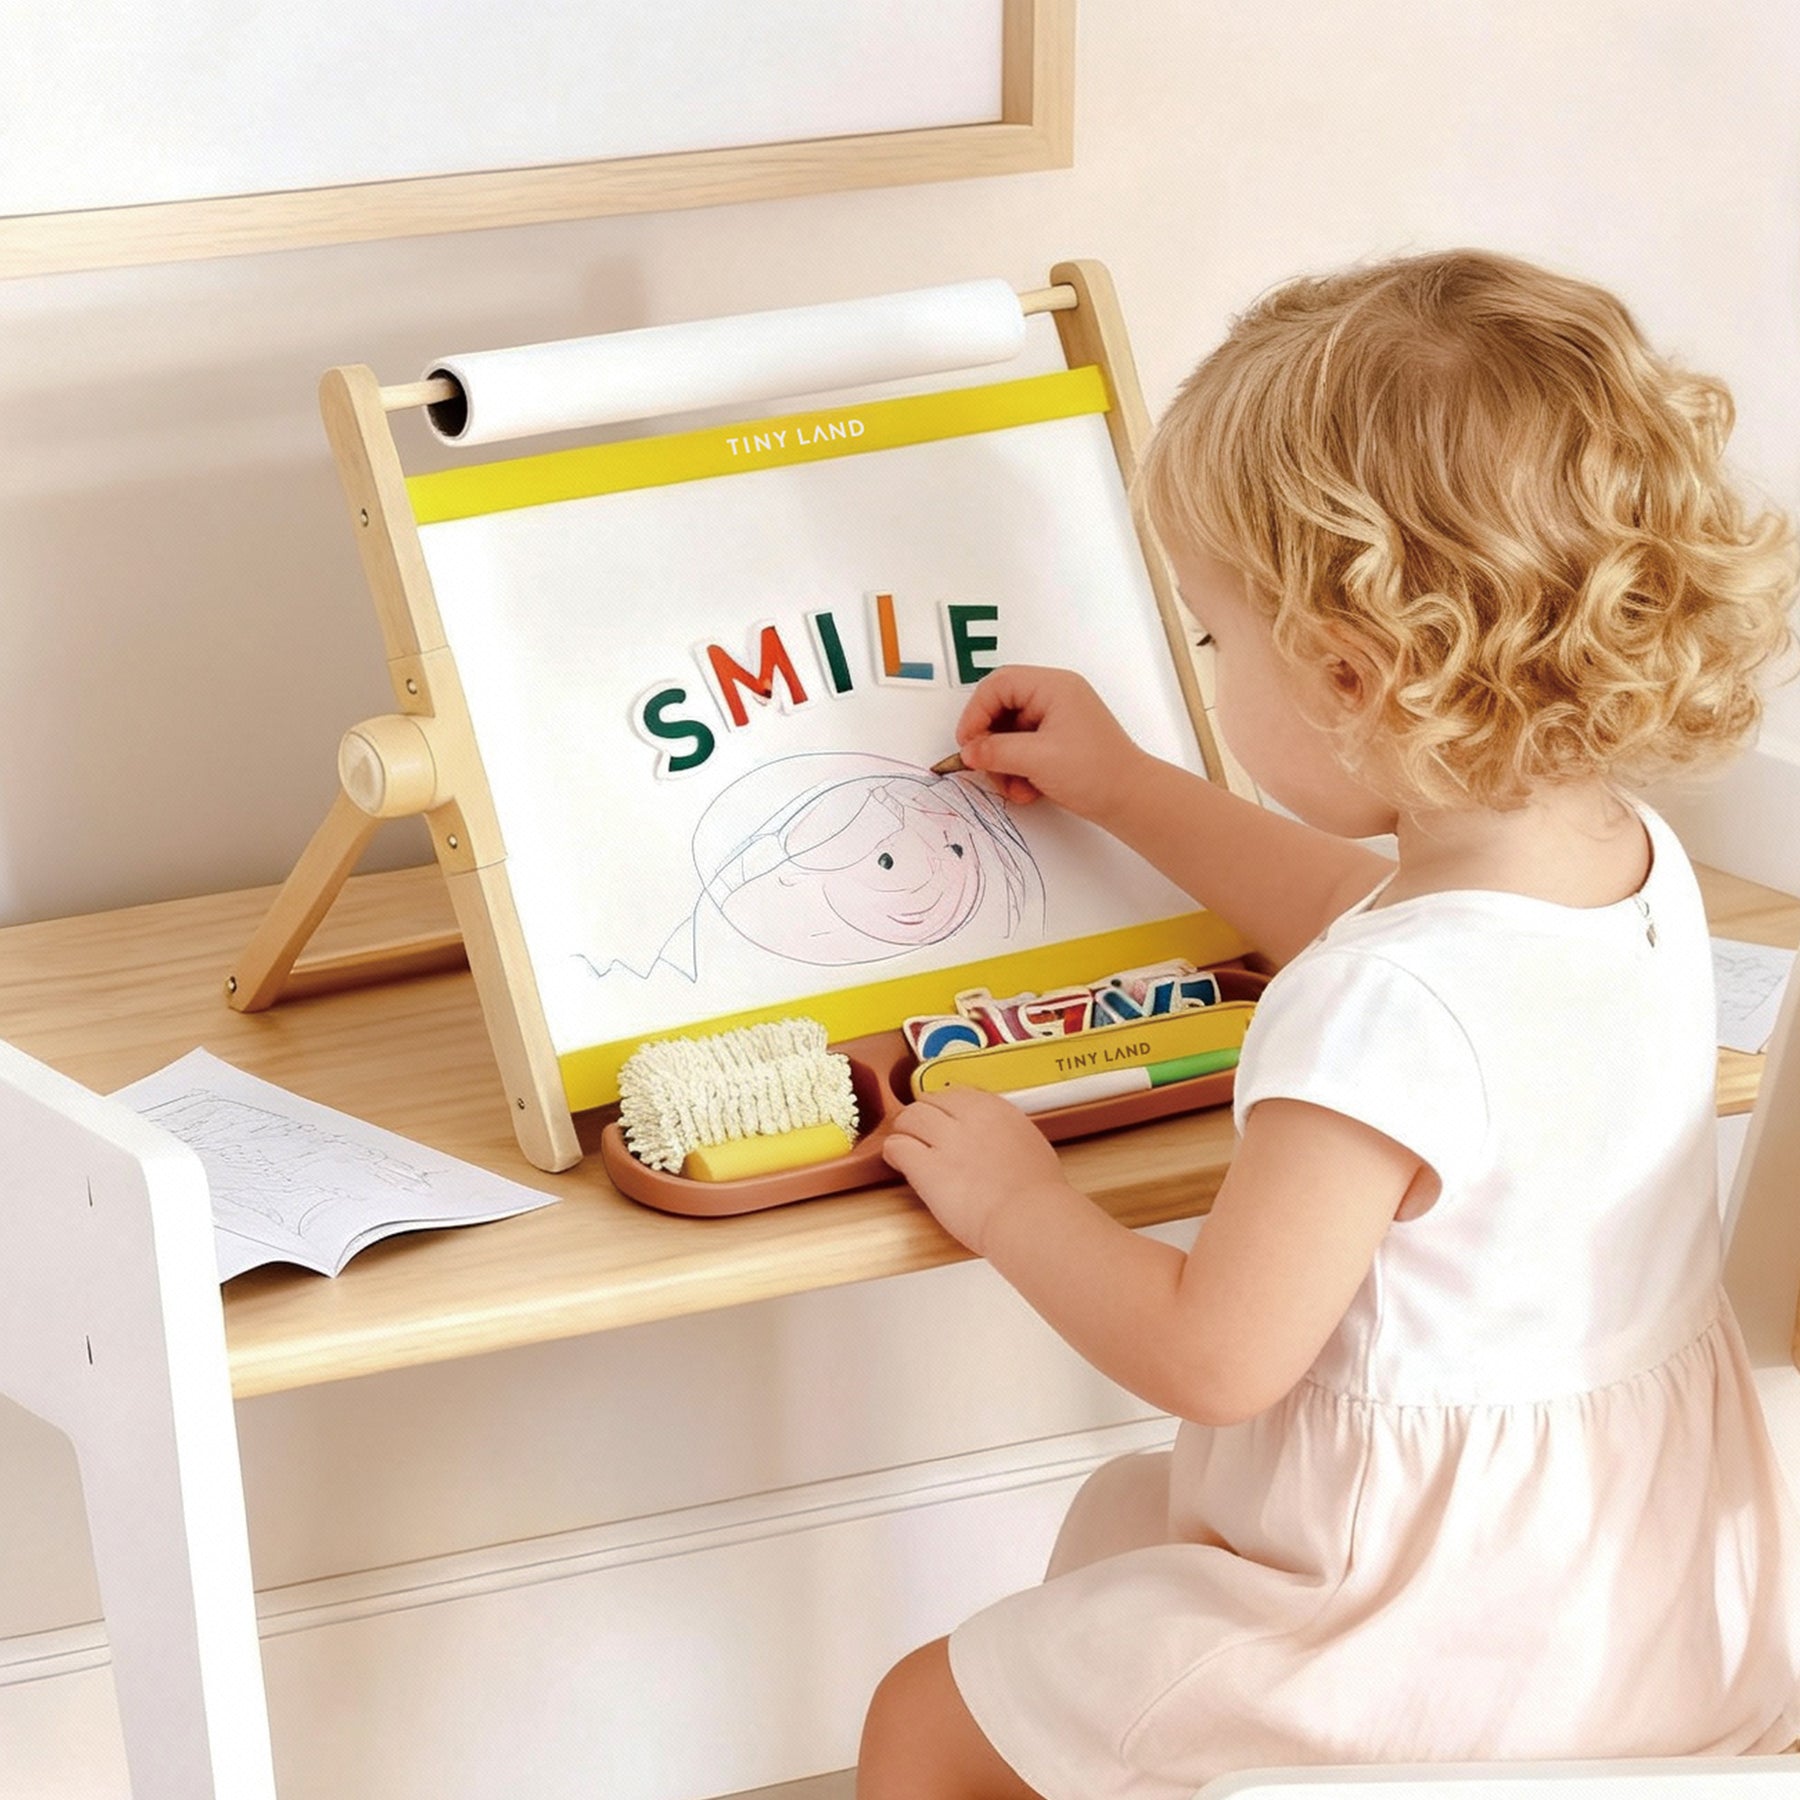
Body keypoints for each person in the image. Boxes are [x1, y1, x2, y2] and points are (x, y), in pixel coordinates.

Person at [857, 248, 1800, 1800]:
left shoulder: (1378, 1015)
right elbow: (1364, 915)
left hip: (1413, 1647)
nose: (1210, 671)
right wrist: (1127, 787)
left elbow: (1212, 1355)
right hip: (1634, 1597)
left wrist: (1019, 1200)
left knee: (924, 1717)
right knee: (1117, 1537)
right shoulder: (1621, 861)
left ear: (1353, 672)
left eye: (1218, 642)